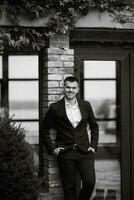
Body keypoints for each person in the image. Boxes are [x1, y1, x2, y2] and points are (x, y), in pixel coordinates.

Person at [41, 76, 99, 200]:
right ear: (64, 88)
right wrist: (52, 149)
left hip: (85, 152)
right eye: (68, 87)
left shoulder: (85, 105)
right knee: (69, 189)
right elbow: (44, 129)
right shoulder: (55, 107)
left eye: (73, 88)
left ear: (77, 90)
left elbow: (94, 126)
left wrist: (93, 146)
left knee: (89, 183)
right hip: (66, 153)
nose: (70, 90)